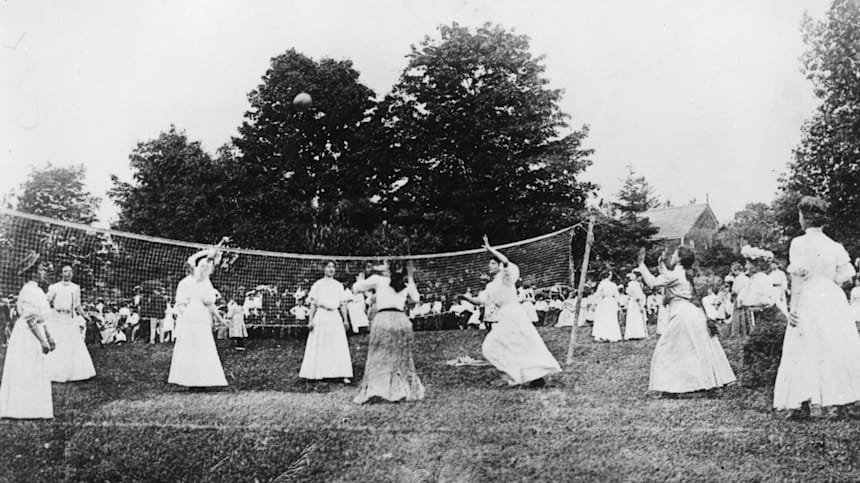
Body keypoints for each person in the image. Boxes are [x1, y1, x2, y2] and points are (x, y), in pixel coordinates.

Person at [774, 196, 860, 420]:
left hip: (810, 295)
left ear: (805, 218)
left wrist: (793, 308)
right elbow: (847, 278)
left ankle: (802, 403)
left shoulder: (799, 243)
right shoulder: (834, 246)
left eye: (800, 216)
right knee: (835, 345)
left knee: (803, 344)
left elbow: (797, 277)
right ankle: (839, 403)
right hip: (831, 296)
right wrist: (828, 280)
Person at [636, 246, 736, 395]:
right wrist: (661, 264)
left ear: (679, 259)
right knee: (696, 349)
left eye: (675, 254)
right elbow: (667, 276)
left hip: (682, 314)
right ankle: (709, 384)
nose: (673, 255)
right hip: (691, 313)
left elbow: (653, 283)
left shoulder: (676, 274)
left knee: (667, 349)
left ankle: (671, 388)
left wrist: (641, 265)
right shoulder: (682, 273)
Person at [474, 236, 561, 388]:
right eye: (490, 263)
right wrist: (464, 297)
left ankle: (526, 377)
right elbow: (482, 301)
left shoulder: (506, 277)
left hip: (514, 314)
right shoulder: (491, 285)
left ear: (499, 265)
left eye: (493, 263)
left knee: (513, 344)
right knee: (503, 345)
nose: (490, 266)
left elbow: (506, 262)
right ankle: (519, 376)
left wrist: (490, 248)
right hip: (505, 316)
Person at [352, 259, 425, 403]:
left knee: (379, 356)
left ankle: (380, 389)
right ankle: (401, 389)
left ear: (388, 268)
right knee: (401, 356)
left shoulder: (378, 280)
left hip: (384, 320)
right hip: (401, 320)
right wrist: (410, 278)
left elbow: (356, 287)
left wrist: (360, 280)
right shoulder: (405, 283)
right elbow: (416, 299)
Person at [0, 251, 56, 419]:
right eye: (41, 269)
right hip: (27, 335)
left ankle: (34, 408)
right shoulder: (29, 291)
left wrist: (49, 336)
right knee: (26, 368)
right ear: (32, 272)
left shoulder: (37, 290)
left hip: (35, 331)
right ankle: (22, 409)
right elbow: (31, 320)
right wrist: (43, 342)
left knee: (35, 368)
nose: (43, 272)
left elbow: (41, 319)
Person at [168, 249, 228, 389]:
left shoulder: (206, 282)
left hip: (202, 317)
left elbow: (211, 305)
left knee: (204, 346)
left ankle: (203, 381)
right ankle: (191, 381)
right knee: (191, 348)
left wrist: (221, 320)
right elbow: (181, 304)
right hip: (191, 317)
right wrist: (186, 318)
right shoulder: (185, 283)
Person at [737, 245, 788, 390]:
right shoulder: (754, 278)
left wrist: (746, 301)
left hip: (772, 316)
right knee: (760, 346)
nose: (746, 266)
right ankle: (761, 377)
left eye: (748, 263)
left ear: (756, 265)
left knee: (755, 345)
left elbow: (764, 300)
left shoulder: (761, 278)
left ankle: (757, 379)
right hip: (765, 316)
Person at [299, 261, 353, 383]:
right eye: (328, 267)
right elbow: (313, 304)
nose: (331, 269)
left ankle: (342, 373)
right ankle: (317, 372)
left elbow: (343, 303)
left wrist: (345, 320)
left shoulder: (339, 285)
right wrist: (310, 320)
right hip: (321, 315)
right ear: (324, 269)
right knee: (320, 343)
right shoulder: (318, 285)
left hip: (335, 316)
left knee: (337, 344)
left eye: (333, 267)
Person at [45, 265, 96, 382]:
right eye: (65, 271)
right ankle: (56, 372)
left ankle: (74, 372)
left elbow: (77, 305)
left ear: (72, 274)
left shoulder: (75, 288)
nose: (67, 274)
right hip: (57, 318)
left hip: (70, 319)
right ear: (61, 274)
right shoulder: (54, 287)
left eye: (70, 271)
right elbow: (46, 300)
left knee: (72, 343)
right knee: (58, 343)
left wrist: (85, 316)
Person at [592, 271, 622, 342]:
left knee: (604, 318)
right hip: (611, 302)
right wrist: (620, 304)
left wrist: (595, 302)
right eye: (610, 275)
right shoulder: (613, 285)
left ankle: (603, 335)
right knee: (611, 318)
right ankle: (612, 336)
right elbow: (617, 295)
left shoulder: (601, 284)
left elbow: (597, 295)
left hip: (604, 302)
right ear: (608, 276)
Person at [729, 262, 754, 337]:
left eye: (734, 271)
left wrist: (732, 294)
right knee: (746, 313)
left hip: (739, 297)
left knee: (738, 314)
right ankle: (747, 330)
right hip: (746, 297)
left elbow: (735, 289)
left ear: (737, 270)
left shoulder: (738, 278)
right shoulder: (747, 278)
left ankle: (738, 331)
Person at [624, 272, 648, 340]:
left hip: (632, 302)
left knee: (633, 317)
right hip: (635, 302)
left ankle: (632, 334)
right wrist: (640, 305)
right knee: (636, 316)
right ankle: (637, 334)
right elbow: (636, 295)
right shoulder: (635, 284)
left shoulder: (631, 284)